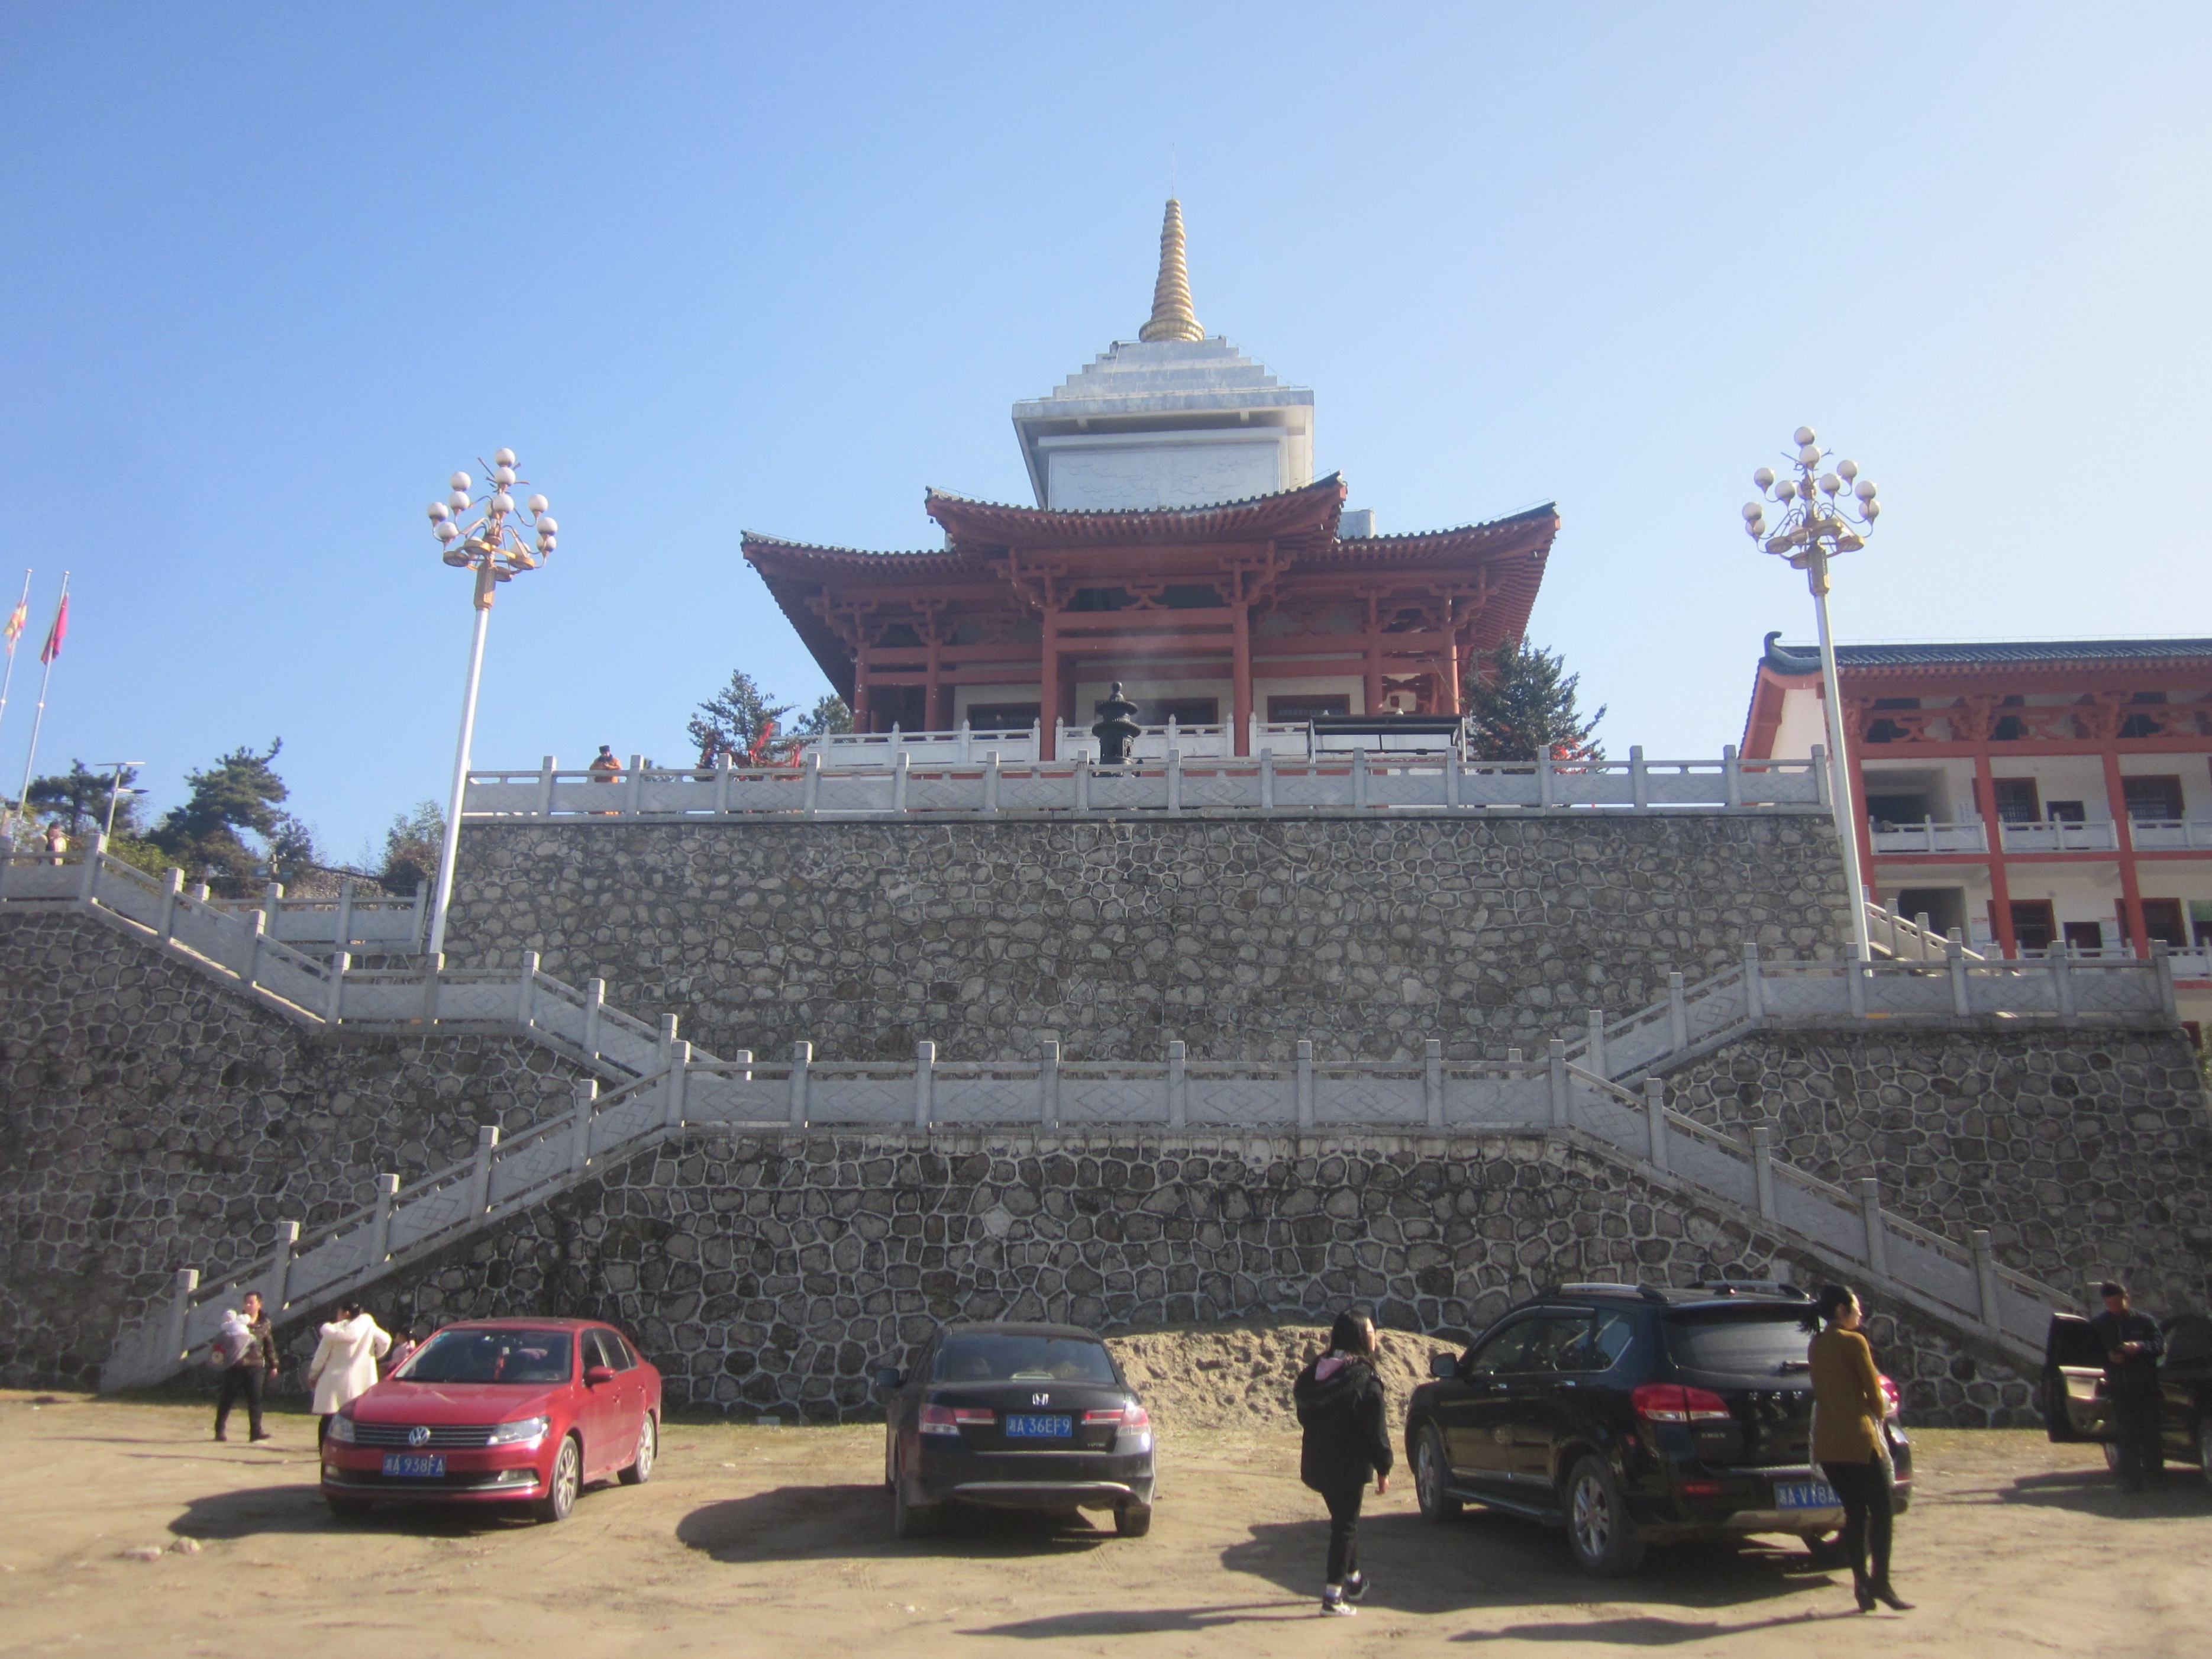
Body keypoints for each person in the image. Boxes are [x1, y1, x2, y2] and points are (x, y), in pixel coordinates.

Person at [1808, 1284, 1910, 1613]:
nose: (1860, 1314)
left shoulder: (1816, 1345)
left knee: (1854, 1513)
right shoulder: (1855, 1342)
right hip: (1860, 1441)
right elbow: (1874, 1393)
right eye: (1856, 1308)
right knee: (1881, 1511)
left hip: (1829, 1443)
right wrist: (1879, 1419)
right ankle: (1881, 1582)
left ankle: (1861, 1584)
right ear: (1841, 1310)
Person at [1292, 1311, 1393, 1618]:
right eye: (1371, 1333)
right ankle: (1333, 1597)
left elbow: (1304, 1414)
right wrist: (1384, 1467)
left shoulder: (1317, 1372)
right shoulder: (1362, 1377)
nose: (1375, 1338)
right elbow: (1376, 1428)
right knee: (1345, 1527)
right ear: (1360, 1338)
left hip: (1317, 1463)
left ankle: (1356, 1581)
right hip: (1348, 1465)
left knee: (1343, 1523)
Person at [2088, 1280, 2165, 1491]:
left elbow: (2159, 1346)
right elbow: (2089, 1353)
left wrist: (2139, 1347)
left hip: (2146, 1387)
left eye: (2119, 1302)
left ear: (2127, 1299)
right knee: (2127, 1436)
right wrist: (2109, 1357)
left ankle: (2156, 1478)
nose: (2115, 1307)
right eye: (2110, 1304)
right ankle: (2132, 1482)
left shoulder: (2144, 1322)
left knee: (2152, 1433)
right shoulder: (2099, 1325)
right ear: (2105, 1303)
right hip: (2120, 1389)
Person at [306, 1300, 391, 1445]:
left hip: (333, 1379)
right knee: (356, 1417)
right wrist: (375, 1355)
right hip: (362, 1379)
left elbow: (321, 1357)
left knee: (329, 1417)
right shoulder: (369, 1326)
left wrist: (314, 1374)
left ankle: (324, 1449)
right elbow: (385, 1340)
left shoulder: (332, 1330)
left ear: (345, 1313)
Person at [212, 1290, 277, 1443]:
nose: (248, 1305)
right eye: (246, 1302)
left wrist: (274, 1364)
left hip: (256, 1366)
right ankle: (220, 1429)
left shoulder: (265, 1323)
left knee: (255, 1399)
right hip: (236, 1365)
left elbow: (269, 1345)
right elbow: (225, 1341)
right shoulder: (236, 1322)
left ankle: (256, 1431)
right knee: (228, 1397)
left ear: (259, 1305)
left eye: (251, 1302)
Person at [588, 746, 622, 815]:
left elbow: (619, 769)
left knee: (611, 800)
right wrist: (601, 768)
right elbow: (591, 769)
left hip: (611, 783)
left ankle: (612, 814)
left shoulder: (615, 760)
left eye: (606, 753)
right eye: (603, 754)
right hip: (600, 784)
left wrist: (609, 767)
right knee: (600, 799)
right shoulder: (597, 761)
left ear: (609, 752)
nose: (604, 755)